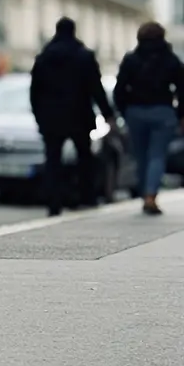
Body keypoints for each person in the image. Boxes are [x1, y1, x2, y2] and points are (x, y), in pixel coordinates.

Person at [30, 17, 115, 216]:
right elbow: (96, 87)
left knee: (53, 159)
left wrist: (38, 116)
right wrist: (107, 113)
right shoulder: (84, 56)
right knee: (84, 157)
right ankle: (86, 196)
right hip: (79, 114)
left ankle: (53, 201)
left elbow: (35, 91)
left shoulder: (44, 57)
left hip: (51, 117)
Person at [113, 21, 184, 215]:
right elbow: (182, 89)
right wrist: (180, 114)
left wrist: (124, 110)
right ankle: (150, 195)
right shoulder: (171, 60)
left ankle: (145, 192)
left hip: (136, 112)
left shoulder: (131, 60)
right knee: (157, 155)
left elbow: (120, 89)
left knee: (140, 155)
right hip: (163, 112)